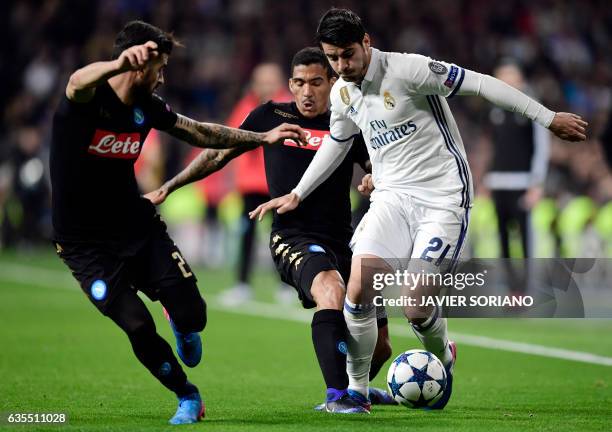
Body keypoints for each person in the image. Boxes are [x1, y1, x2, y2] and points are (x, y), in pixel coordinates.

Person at [249, 8, 588, 411]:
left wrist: (547, 118)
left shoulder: (411, 70)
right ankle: (355, 392)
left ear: (367, 43)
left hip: (442, 198)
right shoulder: (342, 92)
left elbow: (480, 84)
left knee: (415, 303)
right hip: (391, 198)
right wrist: (299, 193)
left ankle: (443, 356)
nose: (342, 66)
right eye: (333, 58)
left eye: (347, 55)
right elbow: (337, 142)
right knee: (358, 288)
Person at [50, 21, 306, 425]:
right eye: (159, 68)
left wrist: (260, 138)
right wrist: (115, 64)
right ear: (138, 64)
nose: (163, 77)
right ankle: (187, 395)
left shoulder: (147, 108)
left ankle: (180, 320)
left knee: (194, 317)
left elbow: (201, 133)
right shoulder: (87, 98)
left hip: (136, 226)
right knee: (136, 325)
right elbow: (76, 80)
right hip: (83, 245)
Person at [146, 47, 394, 414]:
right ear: (290, 86)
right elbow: (219, 152)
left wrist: (376, 178)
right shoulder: (270, 116)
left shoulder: (348, 122)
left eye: (315, 82)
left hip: (344, 239)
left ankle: (357, 386)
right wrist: (170, 186)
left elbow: (380, 164)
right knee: (331, 289)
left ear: (331, 83)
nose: (307, 91)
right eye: (299, 83)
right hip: (293, 236)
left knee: (382, 346)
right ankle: (338, 396)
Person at [220, 62, 293, 305]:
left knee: (284, 237)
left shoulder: (291, 108)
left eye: (271, 81)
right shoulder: (246, 107)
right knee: (247, 237)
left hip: (281, 185)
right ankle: (242, 285)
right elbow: (230, 140)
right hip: (251, 186)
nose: (266, 86)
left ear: (281, 82)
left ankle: (287, 285)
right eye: (262, 81)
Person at [484, 60, 550, 292]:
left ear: (520, 80)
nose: (503, 83)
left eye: (507, 77)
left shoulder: (532, 108)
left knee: (524, 239)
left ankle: (526, 288)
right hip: (498, 183)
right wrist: (487, 178)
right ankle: (512, 289)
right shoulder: (495, 110)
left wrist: (537, 184)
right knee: (502, 240)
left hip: (522, 183)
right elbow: (494, 147)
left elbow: (541, 148)